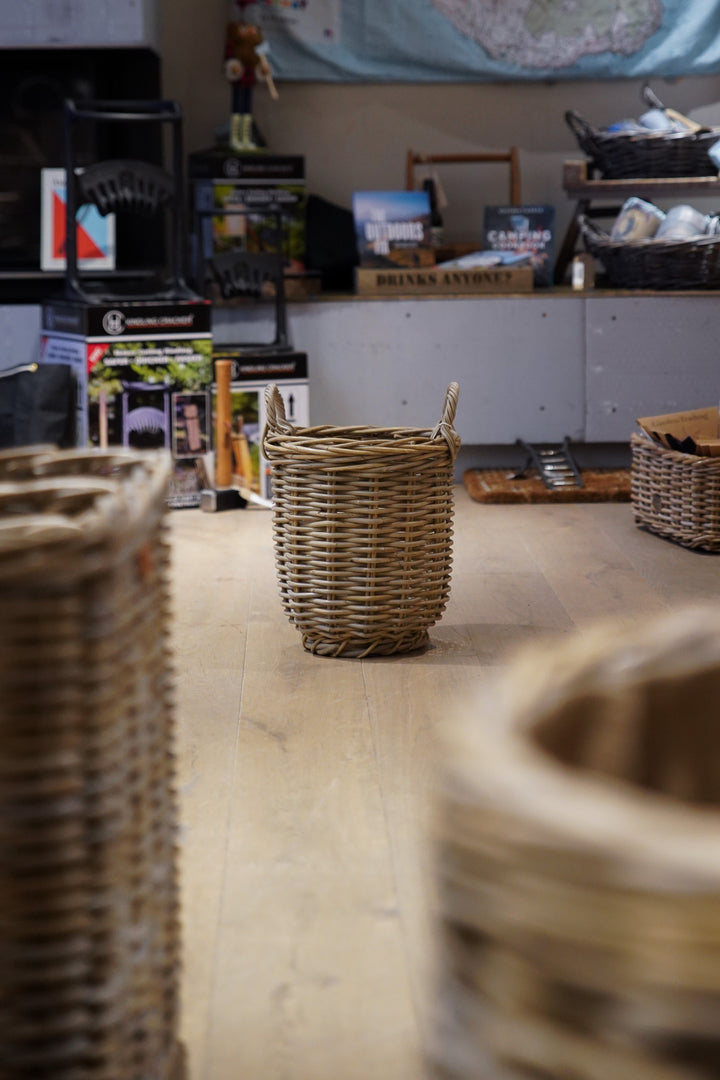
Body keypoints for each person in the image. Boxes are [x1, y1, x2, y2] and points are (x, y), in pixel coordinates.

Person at [224, 16, 278, 151]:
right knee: (237, 106)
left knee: (247, 108)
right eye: (245, 28)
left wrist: (264, 68)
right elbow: (229, 58)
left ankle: (245, 138)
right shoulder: (234, 41)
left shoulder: (257, 42)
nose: (249, 31)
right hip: (239, 75)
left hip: (249, 75)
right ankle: (235, 138)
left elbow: (263, 59)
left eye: (252, 28)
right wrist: (232, 67)